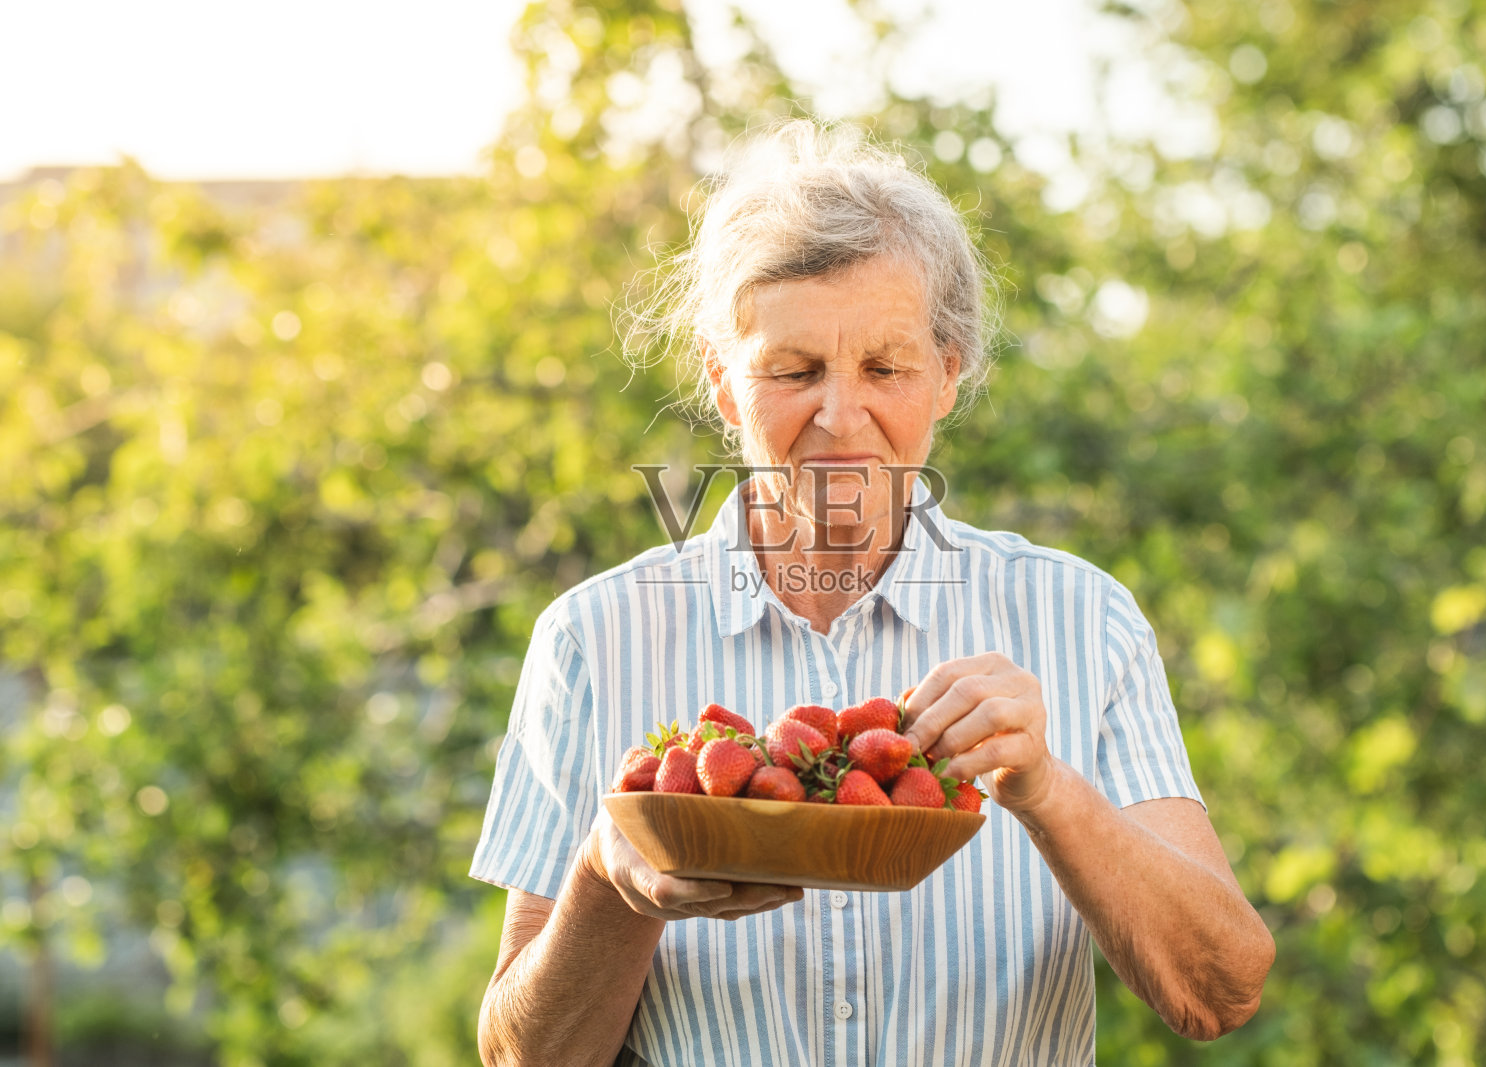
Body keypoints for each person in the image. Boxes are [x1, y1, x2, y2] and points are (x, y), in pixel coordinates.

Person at [470, 120, 1274, 1067]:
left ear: (947, 375)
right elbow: (523, 1056)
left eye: (885, 367)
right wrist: (611, 877)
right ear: (726, 385)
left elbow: (1220, 989)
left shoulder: (1082, 618)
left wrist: (1048, 787)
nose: (841, 416)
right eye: (793, 370)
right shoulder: (592, 638)